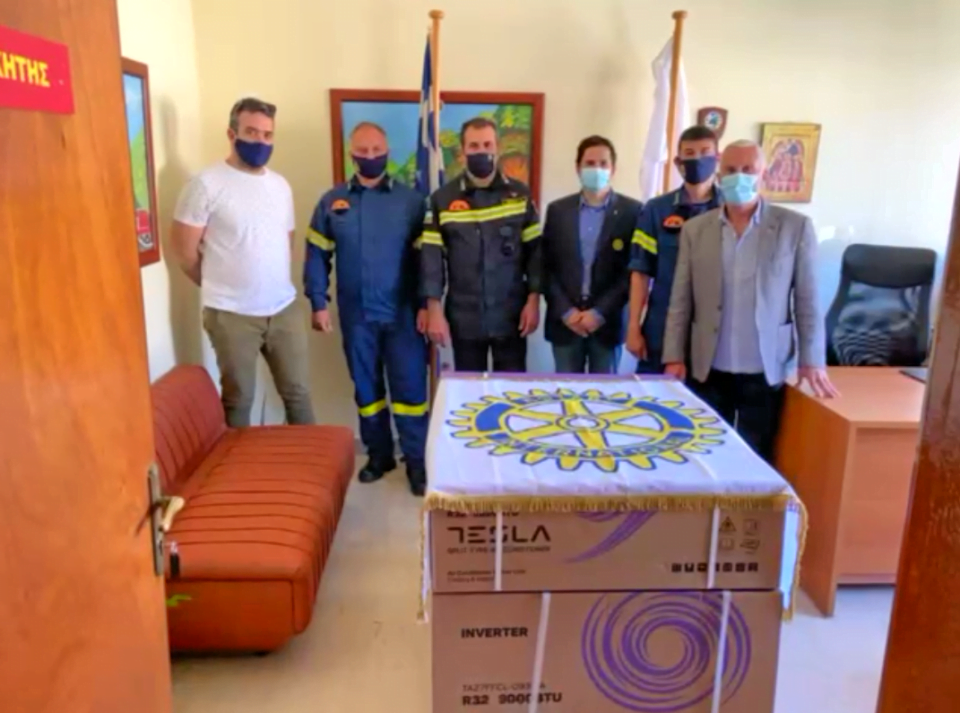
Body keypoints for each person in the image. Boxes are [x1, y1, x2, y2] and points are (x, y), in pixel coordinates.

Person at [660, 139, 839, 463]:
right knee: (706, 455)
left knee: (757, 457)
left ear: (764, 174)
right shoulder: (695, 230)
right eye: (730, 169)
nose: (738, 176)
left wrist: (812, 359)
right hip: (709, 367)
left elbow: (808, 301)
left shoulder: (794, 228)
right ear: (718, 175)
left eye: (748, 169)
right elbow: (680, 299)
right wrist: (673, 355)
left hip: (765, 368)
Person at [172, 97, 315, 428]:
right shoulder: (205, 184)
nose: (260, 141)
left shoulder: (279, 186)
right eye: (251, 132)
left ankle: (314, 459)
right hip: (231, 314)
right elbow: (185, 253)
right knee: (239, 400)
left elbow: (286, 241)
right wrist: (223, 285)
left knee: (298, 395)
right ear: (231, 133)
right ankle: (238, 462)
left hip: (283, 308)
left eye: (267, 135)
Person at [304, 122, 428, 496]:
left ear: (387, 151)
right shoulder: (332, 202)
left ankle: (416, 461)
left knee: (410, 392)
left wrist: (427, 305)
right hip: (357, 317)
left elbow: (427, 262)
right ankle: (379, 455)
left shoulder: (411, 201)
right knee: (367, 391)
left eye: (377, 150)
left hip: (404, 316)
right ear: (351, 154)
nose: (370, 156)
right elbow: (316, 254)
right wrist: (318, 302)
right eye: (363, 151)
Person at [420, 117, 542, 372]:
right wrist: (434, 310)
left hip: (511, 315)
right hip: (465, 318)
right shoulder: (442, 199)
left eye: (487, 145)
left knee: (509, 390)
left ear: (498, 147)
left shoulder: (519, 194)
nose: (481, 151)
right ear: (463, 151)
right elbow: (431, 260)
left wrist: (534, 301)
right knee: (469, 390)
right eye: (474, 146)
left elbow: (536, 254)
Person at [626, 125, 722, 373]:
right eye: (689, 153)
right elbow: (640, 272)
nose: (697, 159)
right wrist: (633, 327)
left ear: (717, 159)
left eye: (705, 152)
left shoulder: (730, 210)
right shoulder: (656, 209)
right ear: (678, 162)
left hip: (714, 333)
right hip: (662, 327)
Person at [542, 136, 642, 373]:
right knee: (566, 392)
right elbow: (545, 266)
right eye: (589, 163)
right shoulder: (558, 211)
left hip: (607, 324)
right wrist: (567, 312)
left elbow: (632, 272)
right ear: (578, 168)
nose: (596, 169)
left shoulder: (633, 212)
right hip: (566, 324)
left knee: (605, 393)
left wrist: (599, 313)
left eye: (603, 163)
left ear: (613, 169)